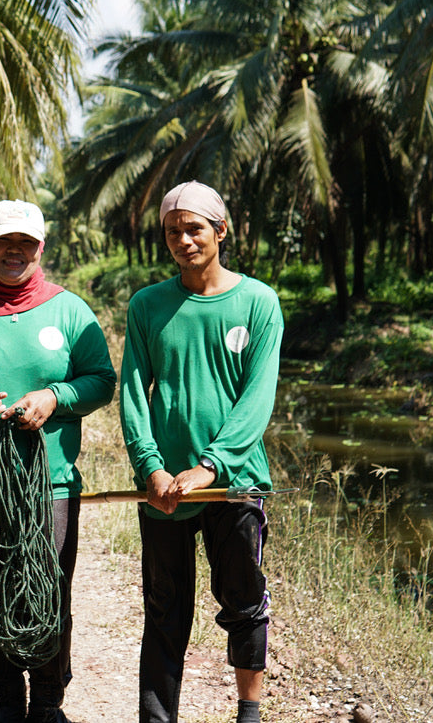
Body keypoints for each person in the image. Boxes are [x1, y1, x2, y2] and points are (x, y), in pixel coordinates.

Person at [0, 200, 115, 723]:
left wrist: (55, 397)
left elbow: (101, 380)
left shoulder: (69, 310)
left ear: (40, 248)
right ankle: (7, 699)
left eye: (25, 243)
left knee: (49, 584)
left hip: (49, 482)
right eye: (3, 241)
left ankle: (48, 701)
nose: (14, 251)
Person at [119, 181, 284, 723]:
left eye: (195, 228)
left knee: (243, 602)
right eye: (173, 231)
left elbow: (256, 402)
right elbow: (133, 394)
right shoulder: (148, 305)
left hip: (235, 484)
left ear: (221, 229)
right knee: (164, 613)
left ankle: (249, 713)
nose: (184, 240)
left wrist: (208, 465)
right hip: (164, 490)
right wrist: (152, 467)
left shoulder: (258, 302)